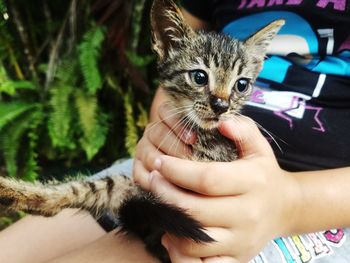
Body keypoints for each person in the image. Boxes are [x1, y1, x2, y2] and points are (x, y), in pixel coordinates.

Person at [1, 1, 350, 262]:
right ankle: (46, 198)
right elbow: (163, 105)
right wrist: (159, 140)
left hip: (312, 207)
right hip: (166, 159)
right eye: (202, 78)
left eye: (240, 85)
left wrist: (289, 203)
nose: (222, 101)